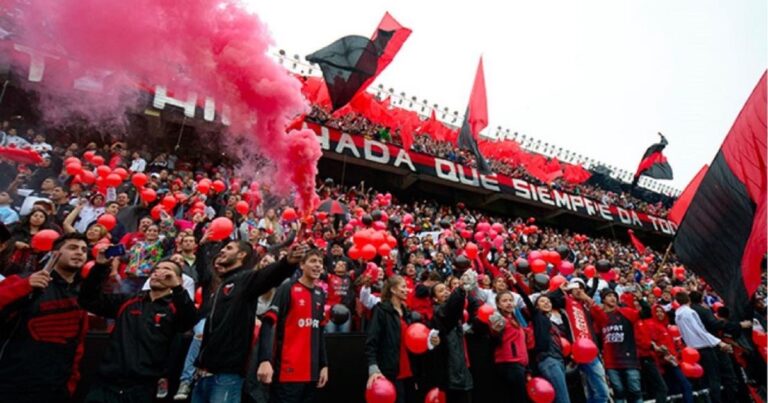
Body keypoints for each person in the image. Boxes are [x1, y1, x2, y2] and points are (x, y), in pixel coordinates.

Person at [190, 240, 308, 403]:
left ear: (241, 255)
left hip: (226, 377)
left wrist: (287, 263)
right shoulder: (221, 287)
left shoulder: (244, 280)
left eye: (229, 248)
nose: (222, 251)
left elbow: (268, 276)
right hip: (203, 376)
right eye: (223, 248)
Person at [79, 252, 197, 403]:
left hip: (144, 388)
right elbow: (88, 300)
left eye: (167, 270)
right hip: (106, 384)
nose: (159, 273)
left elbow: (189, 320)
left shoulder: (176, 307)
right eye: (156, 270)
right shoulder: (128, 300)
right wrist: (100, 267)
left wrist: (178, 289)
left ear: (178, 279)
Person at [0, 233, 89, 403]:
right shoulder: (25, 280)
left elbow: (78, 344)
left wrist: (71, 383)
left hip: (55, 389)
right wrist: (23, 287)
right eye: (72, 248)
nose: (79, 252)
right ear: (55, 254)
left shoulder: (81, 296)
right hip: (12, 385)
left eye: (84, 250)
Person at [257, 249, 329, 402]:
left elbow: (320, 332)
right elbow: (268, 323)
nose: (318, 266)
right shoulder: (287, 288)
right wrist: (265, 359)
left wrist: (324, 364)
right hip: (287, 373)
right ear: (302, 265)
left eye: (320, 262)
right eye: (313, 261)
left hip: (311, 374)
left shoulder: (320, 294)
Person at [366, 275, 440, 403]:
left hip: (410, 373)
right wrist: (373, 368)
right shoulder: (381, 311)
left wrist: (430, 342)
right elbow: (372, 342)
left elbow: (414, 340)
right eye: (404, 287)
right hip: (391, 373)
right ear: (393, 290)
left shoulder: (407, 313)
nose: (407, 290)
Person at [674, 291, 733, 403]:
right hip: (704, 348)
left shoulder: (678, 314)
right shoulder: (690, 312)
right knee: (713, 378)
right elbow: (700, 331)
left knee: (702, 379)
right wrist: (719, 342)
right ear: (688, 299)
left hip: (691, 350)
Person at [589, 288, 643, 403]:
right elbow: (597, 337)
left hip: (629, 359)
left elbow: (646, 313)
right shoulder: (601, 318)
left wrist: (641, 299)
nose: (613, 298)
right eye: (609, 296)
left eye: (614, 296)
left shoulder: (626, 312)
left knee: (635, 390)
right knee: (618, 391)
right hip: (611, 361)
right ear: (603, 299)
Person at [429, 281, 472, 403]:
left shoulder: (452, 312)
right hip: (450, 372)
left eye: (447, 289)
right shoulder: (438, 313)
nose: (446, 292)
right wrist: (460, 290)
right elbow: (451, 311)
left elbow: (456, 309)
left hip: (461, 368)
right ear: (435, 299)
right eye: (441, 291)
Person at [490, 290, 530, 403]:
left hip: (520, 365)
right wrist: (495, 331)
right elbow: (494, 338)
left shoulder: (514, 320)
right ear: (498, 304)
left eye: (510, 300)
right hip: (509, 365)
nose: (508, 303)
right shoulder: (499, 320)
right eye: (504, 301)